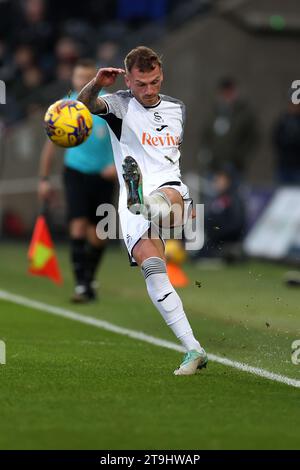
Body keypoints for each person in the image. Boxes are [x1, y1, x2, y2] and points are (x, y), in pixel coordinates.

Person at [77, 46, 207, 375]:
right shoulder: (119, 105)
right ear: (129, 81)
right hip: (132, 204)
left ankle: (148, 203)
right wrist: (96, 83)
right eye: (141, 84)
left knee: (165, 199)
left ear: (161, 74)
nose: (149, 90)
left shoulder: (178, 108)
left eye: (155, 82)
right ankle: (193, 349)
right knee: (153, 269)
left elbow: (171, 159)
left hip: (168, 189)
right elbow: (84, 106)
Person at [38, 59, 116, 302]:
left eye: (86, 77)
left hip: (104, 176)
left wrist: (117, 165)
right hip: (76, 172)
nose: (82, 82)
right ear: (73, 79)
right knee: (78, 224)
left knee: (100, 234)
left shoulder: (108, 104)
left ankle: (89, 277)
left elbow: (125, 137)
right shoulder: (63, 107)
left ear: (95, 79)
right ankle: (82, 284)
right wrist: (43, 179)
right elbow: (50, 145)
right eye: (78, 77)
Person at [200, 77, 258, 177]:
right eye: (224, 93)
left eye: (229, 92)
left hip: (235, 165)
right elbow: (205, 134)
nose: (227, 96)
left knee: (233, 191)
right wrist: (206, 152)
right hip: (214, 165)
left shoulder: (244, 113)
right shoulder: (214, 113)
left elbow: (252, 138)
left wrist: (240, 156)